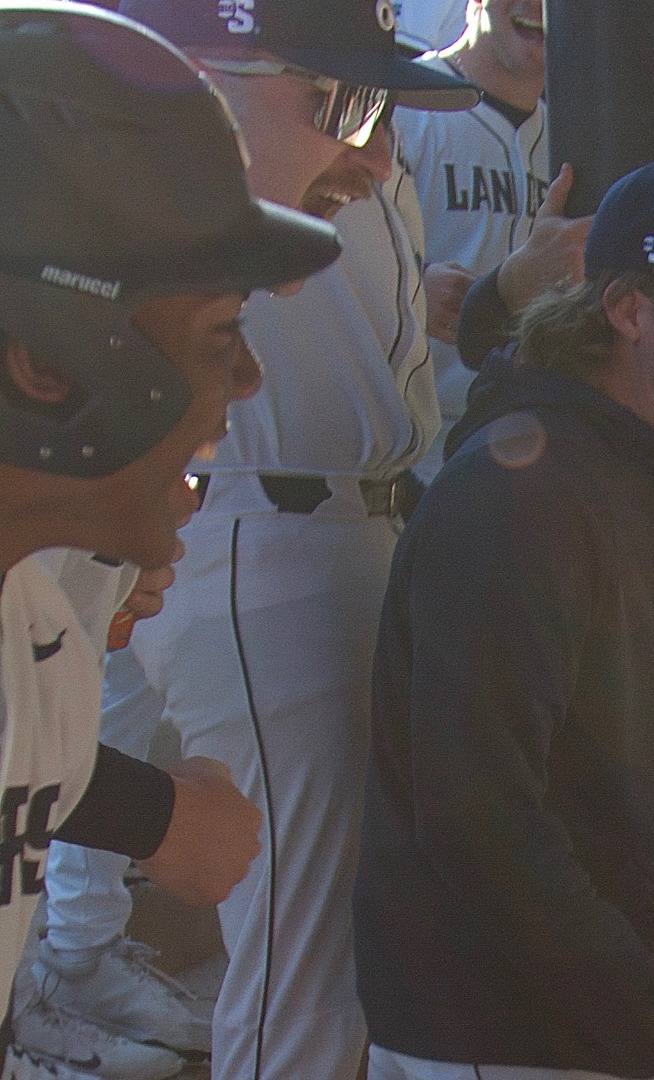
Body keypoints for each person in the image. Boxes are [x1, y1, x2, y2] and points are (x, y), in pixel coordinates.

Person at [34, 3, 478, 1079]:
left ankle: (69, 970)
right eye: (343, 102)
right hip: (265, 535)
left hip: (283, 527)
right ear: (192, 78)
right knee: (305, 986)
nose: (374, 152)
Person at [353, 156, 654, 1080]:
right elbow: (479, 821)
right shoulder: (513, 498)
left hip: (632, 1015)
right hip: (515, 1034)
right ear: (625, 308)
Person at [0, 3, 336, 1075]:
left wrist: (163, 812)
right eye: (220, 335)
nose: (248, 382)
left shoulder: (31, 618)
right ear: (46, 366)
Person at [398, 0, 555, 480]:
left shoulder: (576, 138)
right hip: (409, 452)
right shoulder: (401, 103)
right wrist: (412, 290)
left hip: (526, 449)